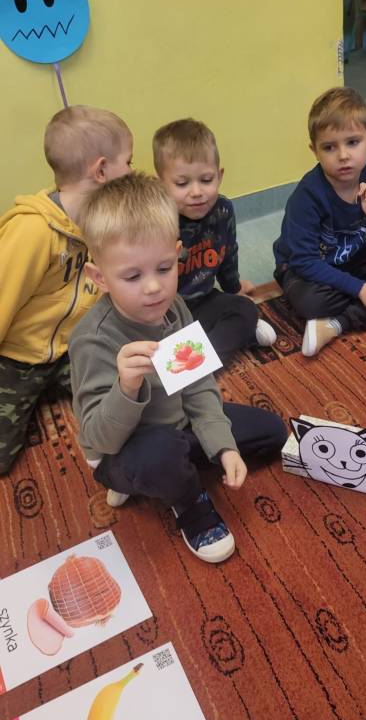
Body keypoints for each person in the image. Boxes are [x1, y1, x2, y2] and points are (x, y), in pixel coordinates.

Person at [69, 172, 287, 564]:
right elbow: (98, 440)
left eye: (164, 268)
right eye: (132, 276)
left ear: (177, 254)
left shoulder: (175, 308)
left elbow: (198, 386)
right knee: (158, 454)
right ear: (100, 278)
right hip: (122, 449)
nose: (154, 288)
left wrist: (222, 446)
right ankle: (189, 502)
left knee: (271, 433)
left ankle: (177, 465)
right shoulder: (92, 340)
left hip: (178, 426)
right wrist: (126, 387)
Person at [0, 105, 133, 474]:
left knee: (132, 390)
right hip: (17, 359)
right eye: (128, 162)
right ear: (102, 170)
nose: (132, 171)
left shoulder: (100, 223)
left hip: (71, 349)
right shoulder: (32, 232)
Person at [273, 87, 366, 356]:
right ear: (315, 151)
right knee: (311, 302)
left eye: (352, 142)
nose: (343, 155)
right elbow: (304, 261)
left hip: (352, 260)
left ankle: (336, 324)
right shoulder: (307, 196)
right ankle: (363, 301)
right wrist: (362, 289)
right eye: (330, 147)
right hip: (303, 268)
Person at [152, 118, 276, 363]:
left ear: (219, 176)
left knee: (246, 309)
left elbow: (228, 254)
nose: (197, 192)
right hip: (164, 313)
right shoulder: (155, 221)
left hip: (203, 301)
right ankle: (199, 357)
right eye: (182, 183)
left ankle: (194, 362)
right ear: (161, 184)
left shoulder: (223, 210)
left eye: (206, 180)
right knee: (142, 341)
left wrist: (234, 289)